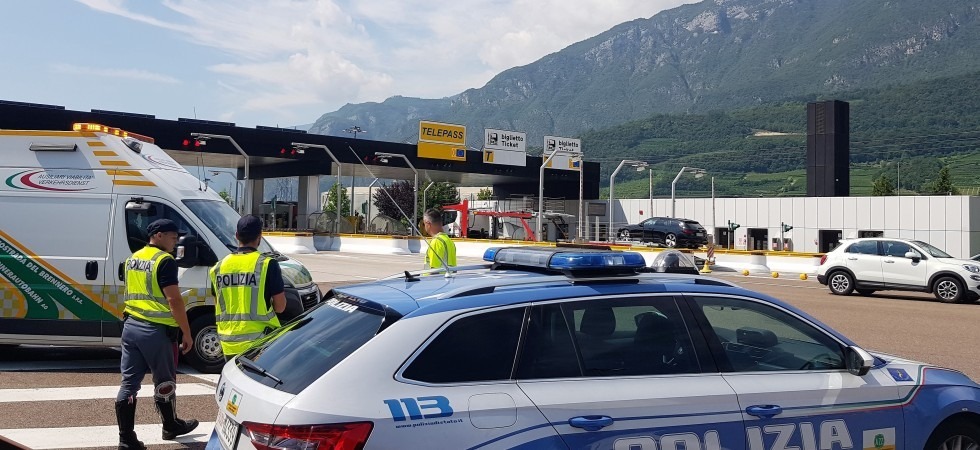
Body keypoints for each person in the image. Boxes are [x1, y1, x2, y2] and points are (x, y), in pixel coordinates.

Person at [116, 219, 199, 449]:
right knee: (164, 382)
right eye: (173, 237)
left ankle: (126, 438)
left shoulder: (133, 258)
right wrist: (187, 333)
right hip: (156, 331)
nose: (176, 241)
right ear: (159, 235)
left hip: (131, 326)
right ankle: (170, 425)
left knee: (128, 384)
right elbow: (174, 300)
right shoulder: (165, 260)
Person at [210, 215, 286, 359]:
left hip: (228, 342)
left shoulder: (218, 268)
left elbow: (218, 304)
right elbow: (280, 307)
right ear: (260, 236)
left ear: (236, 235)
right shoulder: (266, 264)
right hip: (260, 342)